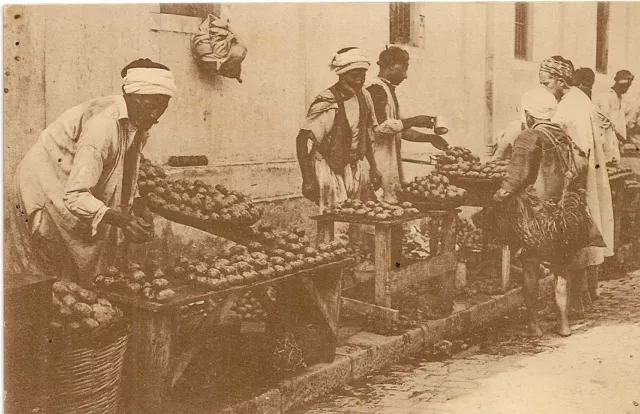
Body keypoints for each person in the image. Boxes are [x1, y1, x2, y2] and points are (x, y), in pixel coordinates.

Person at [7, 58, 176, 284]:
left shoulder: (139, 121)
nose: (156, 115)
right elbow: (75, 196)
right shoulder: (102, 127)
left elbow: (127, 167)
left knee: (80, 270)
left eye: (162, 106)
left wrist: (138, 204)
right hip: (45, 188)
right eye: (150, 105)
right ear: (131, 97)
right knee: (51, 273)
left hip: (70, 183)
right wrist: (123, 220)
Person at [494, 88, 586, 337]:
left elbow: (517, 176)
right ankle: (564, 323)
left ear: (529, 113)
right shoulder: (561, 135)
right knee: (561, 269)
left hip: (536, 216)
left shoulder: (529, 136)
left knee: (530, 267)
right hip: (563, 213)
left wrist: (500, 195)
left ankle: (534, 324)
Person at [539, 56, 614, 311]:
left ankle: (576, 302)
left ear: (560, 81)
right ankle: (583, 296)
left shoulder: (571, 107)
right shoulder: (577, 99)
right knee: (581, 236)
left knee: (574, 237)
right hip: (582, 176)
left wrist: (570, 188)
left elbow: (578, 149)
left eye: (547, 82)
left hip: (576, 178)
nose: (545, 88)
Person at [296, 47, 381, 212]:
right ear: (341, 74)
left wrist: (373, 167)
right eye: (353, 76)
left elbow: (366, 134)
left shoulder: (365, 97)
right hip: (329, 168)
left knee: (359, 216)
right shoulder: (326, 101)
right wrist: (307, 178)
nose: (358, 81)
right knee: (333, 216)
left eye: (362, 77)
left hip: (355, 166)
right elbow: (301, 140)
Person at [366, 46, 449, 203]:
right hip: (376, 161)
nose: (405, 75)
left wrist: (429, 138)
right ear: (391, 66)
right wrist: (415, 120)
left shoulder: (387, 90)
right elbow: (381, 128)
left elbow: (400, 129)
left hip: (389, 163)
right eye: (404, 69)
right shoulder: (376, 89)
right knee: (377, 208)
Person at [595, 70, 634, 162]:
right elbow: (605, 121)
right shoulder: (606, 96)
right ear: (622, 84)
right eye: (627, 86)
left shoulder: (622, 99)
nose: (628, 88)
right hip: (606, 139)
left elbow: (624, 119)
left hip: (616, 141)